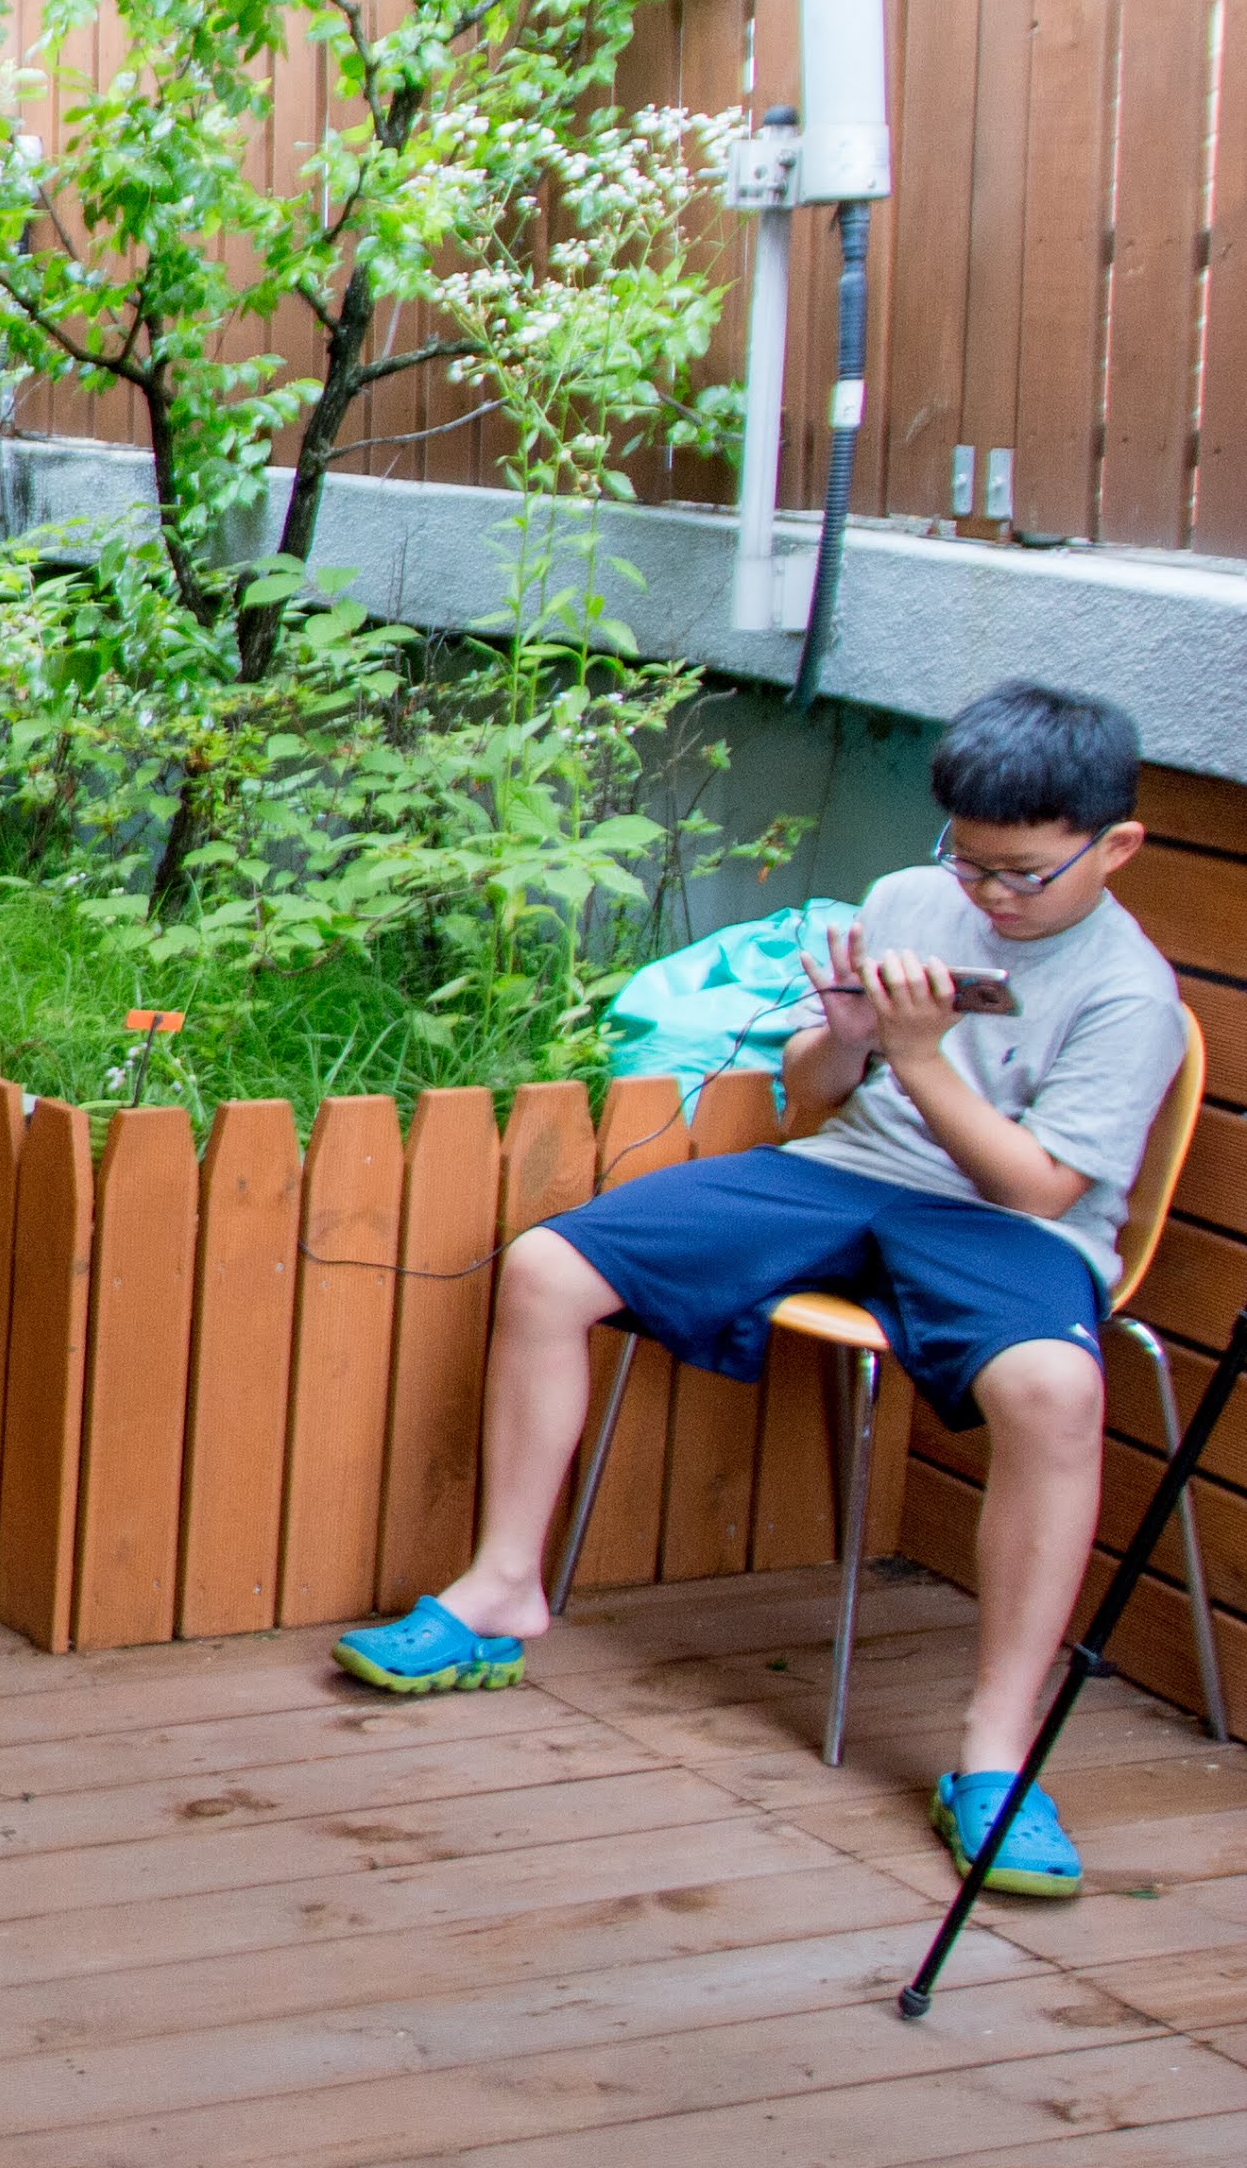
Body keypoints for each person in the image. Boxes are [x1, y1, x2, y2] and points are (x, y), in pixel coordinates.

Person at [335, 682, 1187, 1899]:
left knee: (1053, 1391)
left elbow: (1038, 1188)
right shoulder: (912, 897)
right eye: (967, 861)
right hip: (847, 1172)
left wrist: (915, 1057)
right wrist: (841, 1036)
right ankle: (499, 1590)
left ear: (1114, 846)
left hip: (1007, 1226)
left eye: (1020, 874)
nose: (986, 895)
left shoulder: (1125, 992)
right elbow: (811, 1103)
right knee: (545, 1265)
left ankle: (995, 1757)